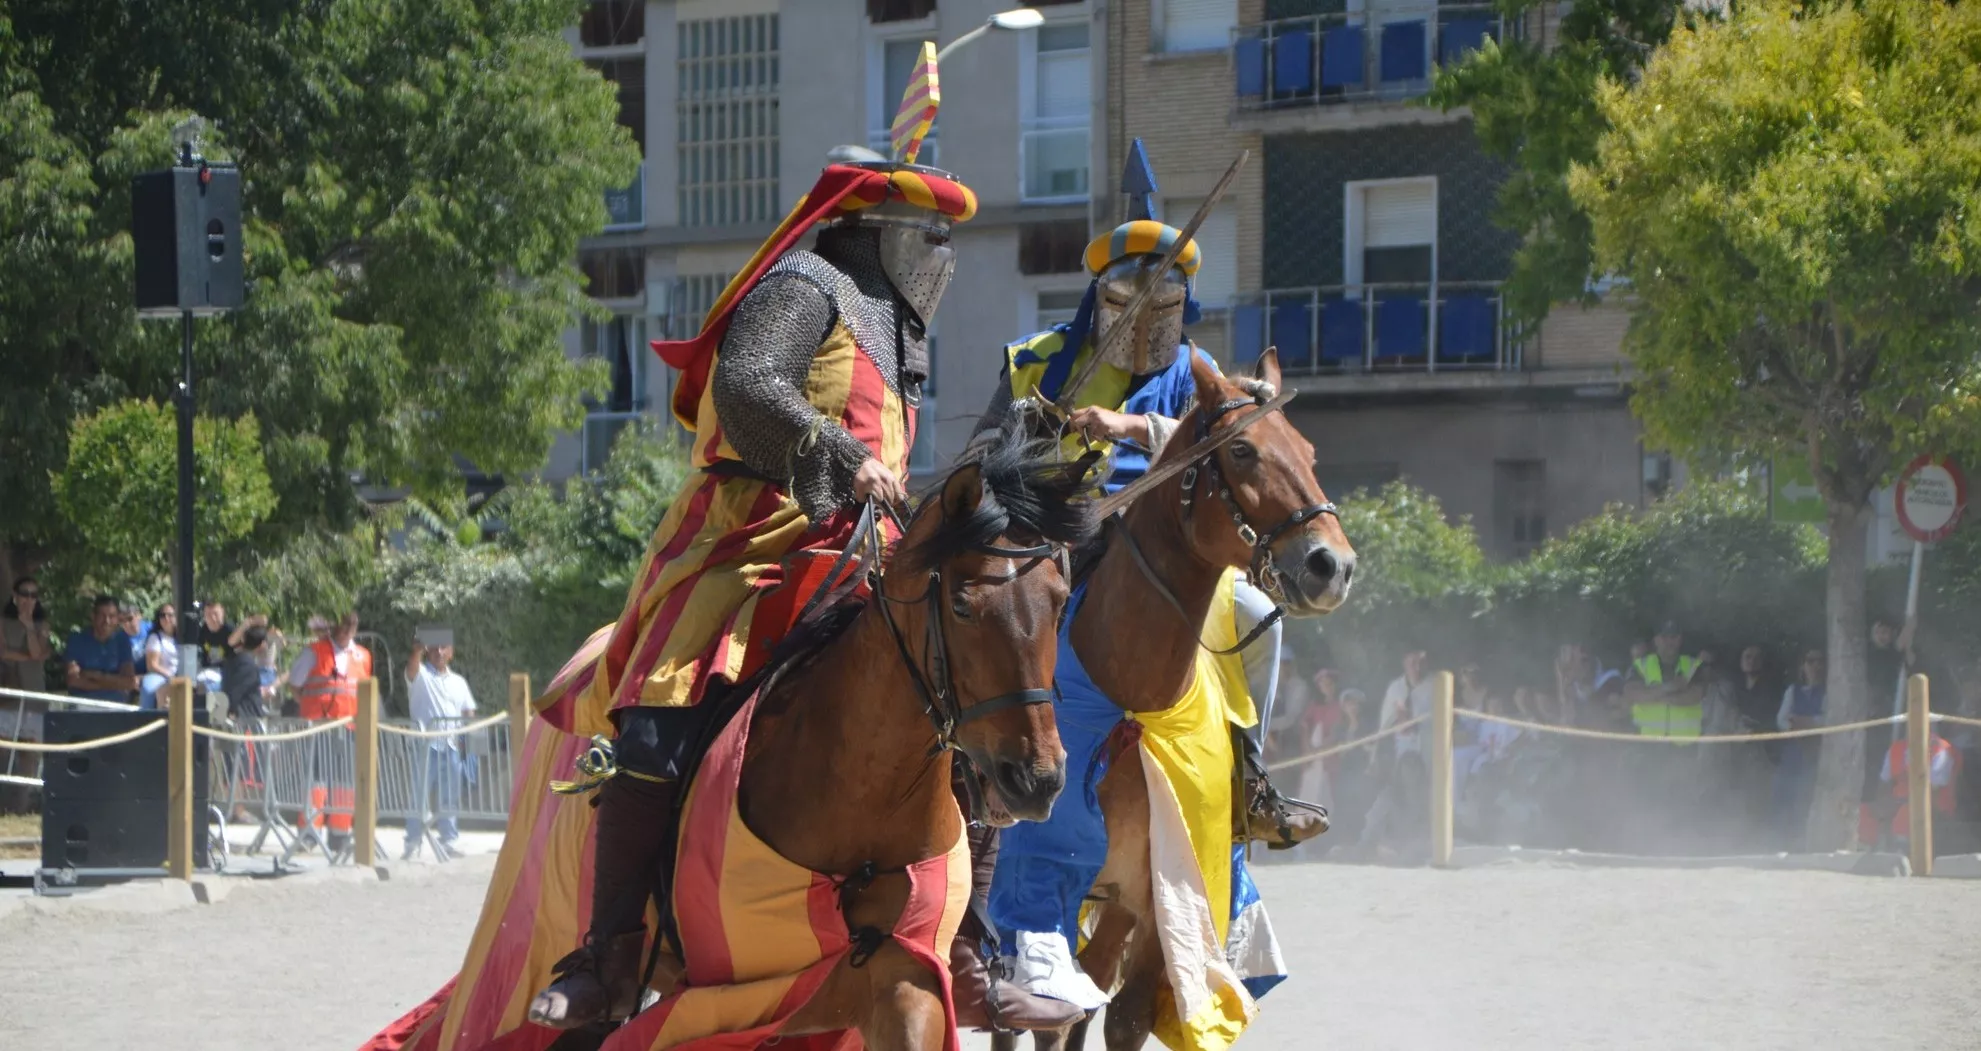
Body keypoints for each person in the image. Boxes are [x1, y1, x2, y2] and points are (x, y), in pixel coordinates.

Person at [526, 148, 987, 1031]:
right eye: (928, 235)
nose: (942, 256)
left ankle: (969, 940)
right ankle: (609, 955)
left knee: (972, 700)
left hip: (867, 547)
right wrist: (843, 457)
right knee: (660, 725)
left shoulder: (896, 329)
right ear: (876, 233)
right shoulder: (807, 281)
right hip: (752, 535)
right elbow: (748, 385)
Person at [288, 612, 373, 851]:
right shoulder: (314, 651)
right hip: (318, 727)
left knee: (344, 783)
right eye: (344, 625)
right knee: (315, 782)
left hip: (349, 728)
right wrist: (311, 709)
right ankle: (309, 834)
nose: (347, 630)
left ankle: (339, 834)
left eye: (352, 626)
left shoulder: (363, 656)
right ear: (335, 626)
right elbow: (295, 685)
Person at [404, 633, 477, 860]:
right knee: (419, 796)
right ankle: (413, 842)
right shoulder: (422, 675)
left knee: (450, 797)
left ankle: (449, 841)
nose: (439, 652)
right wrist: (416, 650)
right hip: (426, 747)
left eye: (444, 647)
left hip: (452, 746)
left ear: (451, 652)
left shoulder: (459, 681)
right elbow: (412, 669)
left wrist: (468, 747)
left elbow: (468, 711)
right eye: (434, 648)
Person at [1772, 649, 1826, 850]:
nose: (1815, 666)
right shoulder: (1792, 691)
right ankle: (1778, 846)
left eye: (1819, 661)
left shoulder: (1829, 692)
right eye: (1810, 661)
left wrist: (1799, 721)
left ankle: (1801, 846)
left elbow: (1827, 722)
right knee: (1781, 798)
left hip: (1815, 755)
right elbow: (1781, 721)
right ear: (1802, 666)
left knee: (1804, 802)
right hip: (1791, 754)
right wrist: (1806, 724)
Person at [1624, 620, 1704, 738]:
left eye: (1673, 637)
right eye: (1664, 637)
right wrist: (1672, 687)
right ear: (1656, 640)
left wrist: (1654, 696)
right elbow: (1633, 694)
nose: (1669, 641)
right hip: (1647, 741)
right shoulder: (1640, 665)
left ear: (1680, 640)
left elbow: (1694, 696)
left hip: (1684, 743)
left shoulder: (1693, 665)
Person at [65, 595, 137, 704]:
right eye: (102, 616)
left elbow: (129, 682)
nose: (106, 621)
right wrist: (115, 684)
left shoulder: (122, 639)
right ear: (93, 616)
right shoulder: (77, 639)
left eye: (111, 616)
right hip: (83, 704)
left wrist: (96, 676)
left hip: (116, 706)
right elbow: (73, 680)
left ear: (117, 618)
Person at [1381, 647, 1436, 758]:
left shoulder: (1437, 685)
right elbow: (1385, 725)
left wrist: (1417, 725)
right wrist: (1399, 721)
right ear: (1404, 663)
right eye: (1413, 663)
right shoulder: (1395, 688)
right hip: (1402, 747)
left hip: (1430, 746)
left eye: (1421, 663)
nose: (1417, 668)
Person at [1, 576, 51, 695]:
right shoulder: (2, 622)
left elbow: (36, 653)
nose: (28, 599)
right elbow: (2, 653)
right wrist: (32, 657)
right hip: (7, 691)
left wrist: (29, 627)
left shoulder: (43, 625)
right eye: (24, 594)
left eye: (33, 595)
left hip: (34, 690)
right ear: (15, 595)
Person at [138, 604, 180, 709]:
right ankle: (145, 716)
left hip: (183, 675)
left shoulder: (184, 637)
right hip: (160, 675)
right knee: (149, 687)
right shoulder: (155, 638)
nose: (166, 618)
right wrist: (171, 676)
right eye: (163, 615)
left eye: (170, 615)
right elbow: (152, 665)